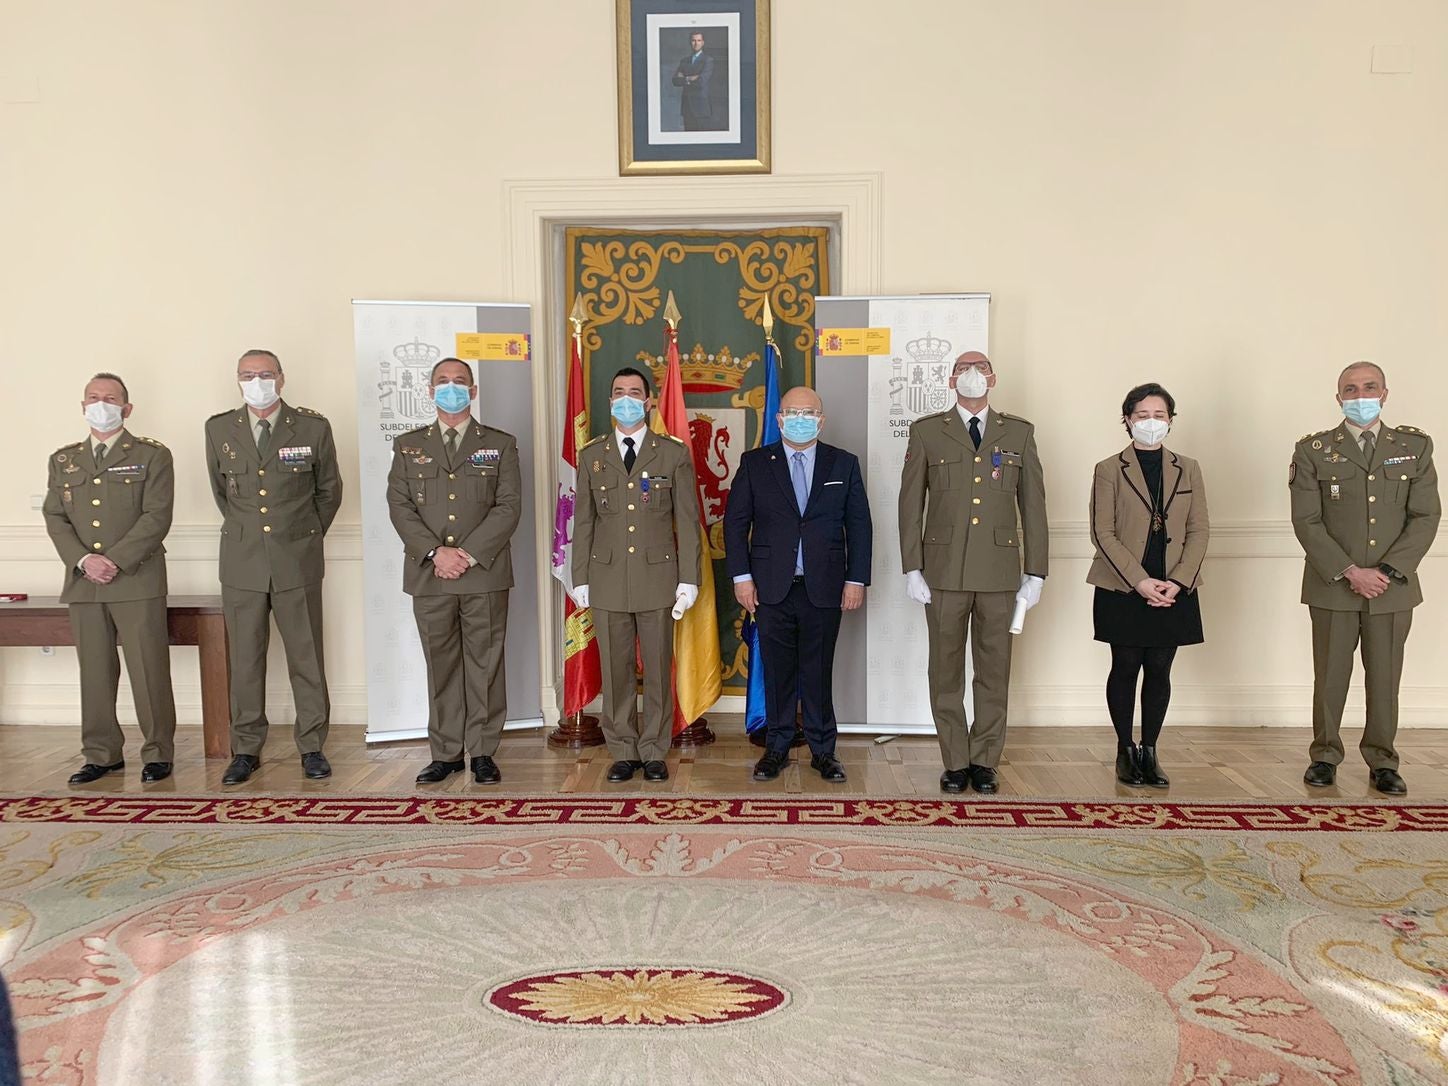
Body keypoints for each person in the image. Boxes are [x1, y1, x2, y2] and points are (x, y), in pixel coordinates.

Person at [898, 350, 1048, 794]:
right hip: (942, 574)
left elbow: (1034, 506)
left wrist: (1036, 571)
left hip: (1000, 575)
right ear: (950, 380)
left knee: (994, 670)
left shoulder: (1018, 433)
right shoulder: (928, 432)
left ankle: (985, 759)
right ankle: (955, 761)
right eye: (963, 369)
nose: (972, 375)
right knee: (944, 670)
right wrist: (912, 567)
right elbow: (910, 505)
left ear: (993, 378)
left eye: (979, 368)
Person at [1290, 361, 1440, 795]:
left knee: (1385, 677)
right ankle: (1324, 756)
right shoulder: (1314, 450)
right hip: (1333, 584)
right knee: (1330, 675)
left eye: (1369, 387)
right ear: (1338, 399)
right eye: (1350, 390)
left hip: (1392, 589)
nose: (1360, 396)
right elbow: (1307, 520)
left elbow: (1426, 516)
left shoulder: (1415, 447)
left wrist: (1388, 572)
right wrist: (1350, 571)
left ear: (1385, 393)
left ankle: (1383, 760)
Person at [205, 349, 343, 784]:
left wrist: (300, 536)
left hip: (296, 559)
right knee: (245, 660)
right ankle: (245, 749)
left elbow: (329, 491)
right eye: (248, 375)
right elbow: (222, 492)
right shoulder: (218, 429)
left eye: (265, 374)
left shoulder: (313, 427)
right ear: (237, 380)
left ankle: (312, 746)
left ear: (281, 379)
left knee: (306, 656)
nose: (257, 381)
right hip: (242, 562)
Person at [725, 386, 872, 783]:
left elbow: (859, 525)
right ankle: (776, 748)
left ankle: (824, 752)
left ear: (821, 420)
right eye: (793, 412)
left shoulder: (843, 463)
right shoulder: (755, 463)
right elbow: (736, 523)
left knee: (818, 672)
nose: (801, 418)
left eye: (809, 412)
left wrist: (855, 579)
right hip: (770, 587)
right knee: (778, 673)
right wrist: (742, 578)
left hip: (825, 587)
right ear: (779, 419)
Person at [387, 358, 521, 786]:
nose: (451, 389)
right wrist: (435, 553)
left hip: (483, 572)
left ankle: (482, 751)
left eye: (459, 382)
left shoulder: (499, 444)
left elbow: (508, 506)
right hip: (430, 574)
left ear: (473, 391)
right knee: (441, 664)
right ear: (430, 390)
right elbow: (400, 506)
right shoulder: (409, 445)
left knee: (484, 665)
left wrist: (466, 554)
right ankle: (444, 753)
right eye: (442, 382)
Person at [42, 373, 177, 784]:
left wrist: (113, 560)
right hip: (85, 581)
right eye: (94, 398)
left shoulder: (153, 456)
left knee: (148, 667)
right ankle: (101, 754)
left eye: (111, 398)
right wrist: (84, 560)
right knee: (95, 670)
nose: (102, 404)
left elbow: (157, 516)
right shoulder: (64, 460)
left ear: (127, 408)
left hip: (136, 578)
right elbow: (55, 516)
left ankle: (157, 752)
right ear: (83, 406)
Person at [571, 367, 702, 783]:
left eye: (633, 393)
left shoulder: (672, 452)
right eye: (617, 392)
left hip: (658, 577)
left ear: (648, 401)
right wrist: (580, 578)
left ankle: (654, 749)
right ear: (610, 401)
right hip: (606, 577)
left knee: (659, 669)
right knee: (616, 668)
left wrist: (689, 578)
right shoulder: (592, 455)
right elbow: (584, 522)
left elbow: (687, 518)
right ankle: (623, 749)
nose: (625, 399)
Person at [1087, 383, 1209, 787]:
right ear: (1127, 420)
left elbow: (1199, 529)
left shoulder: (1188, 467)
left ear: (1171, 421)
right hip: (1124, 585)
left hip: (1175, 586)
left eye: (1159, 415)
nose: (1151, 423)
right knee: (1125, 666)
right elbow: (1102, 533)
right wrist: (1140, 581)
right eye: (1142, 415)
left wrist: (1177, 581)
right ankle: (1125, 749)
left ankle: (1151, 750)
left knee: (1160, 667)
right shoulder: (1109, 469)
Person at [671, 30, 715, 131]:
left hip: (701, 108)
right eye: (693, 40)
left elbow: (701, 82)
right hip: (687, 107)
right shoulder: (684, 61)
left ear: (703, 42)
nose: (696, 43)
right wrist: (690, 78)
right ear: (690, 42)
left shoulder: (708, 60)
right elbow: (675, 81)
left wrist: (684, 78)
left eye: (699, 40)